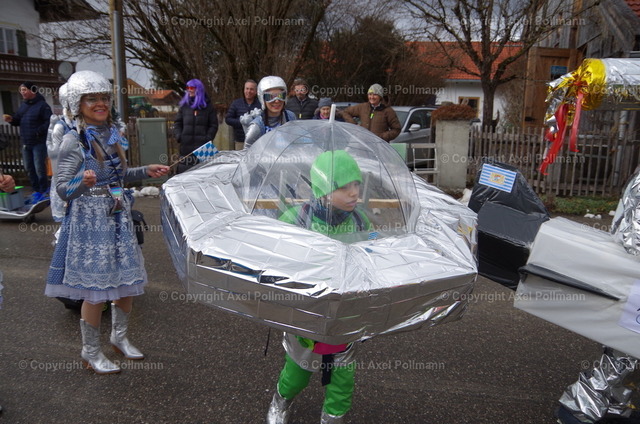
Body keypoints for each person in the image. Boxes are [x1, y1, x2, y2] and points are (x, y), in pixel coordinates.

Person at [44, 70, 169, 374]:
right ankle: (90, 351)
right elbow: (63, 189)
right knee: (95, 291)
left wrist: (145, 171)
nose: (100, 103)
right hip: (90, 224)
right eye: (92, 99)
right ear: (78, 103)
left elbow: (119, 175)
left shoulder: (112, 134)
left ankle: (119, 338)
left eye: (104, 98)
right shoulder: (73, 140)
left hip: (117, 217)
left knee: (126, 284)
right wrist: (82, 182)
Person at [267, 150, 371, 424]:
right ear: (323, 190)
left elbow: (372, 256)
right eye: (344, 186)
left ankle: (332, 418)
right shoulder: (297, 220)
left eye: (356, 184)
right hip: (306, 315)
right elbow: (275, 260)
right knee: (297, 372)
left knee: (342, 377)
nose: (354, 193)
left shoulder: (360, 222)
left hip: (345, 315)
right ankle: (281, 399)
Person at [3, 81, 53, 203]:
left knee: (39, 168)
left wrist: (38, 131)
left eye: (24, 89)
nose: (22, 92)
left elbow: (49, 121)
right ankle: (36, 190)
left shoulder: (43, 106)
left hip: (38, 142)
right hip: (26, 142)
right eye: (21, 90)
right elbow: (17, 120)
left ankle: (44, 191)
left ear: (32, 90)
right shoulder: (23, 106)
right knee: (29, 168)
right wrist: (11, 120)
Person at [173, 79, 218, 173]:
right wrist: (179, 136)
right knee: (185, 174)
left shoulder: (208, 107)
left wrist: (208, 138)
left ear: (199, 89)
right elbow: (177, 123)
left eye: (192, 87)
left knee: (204, 174)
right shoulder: (184, 106)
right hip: (186, 147)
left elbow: (213, 125)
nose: (189, 90)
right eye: (188, 87)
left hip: (204, 148)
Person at [244, 76, 296, 149]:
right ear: (262, 99)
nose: (277, 101)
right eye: (270, 97)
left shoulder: (290, 117)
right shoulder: (257, 126)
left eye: (281, 95)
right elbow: (247, 152)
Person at [225, 79, 261, 150]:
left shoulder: (260, 104)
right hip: (240, 141)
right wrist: (241, 122)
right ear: (244, 90)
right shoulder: (236, 103)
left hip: (256, 141)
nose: (249, 91)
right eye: (247, 88)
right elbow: (228, 119)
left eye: (251, 89)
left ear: (256, 91)